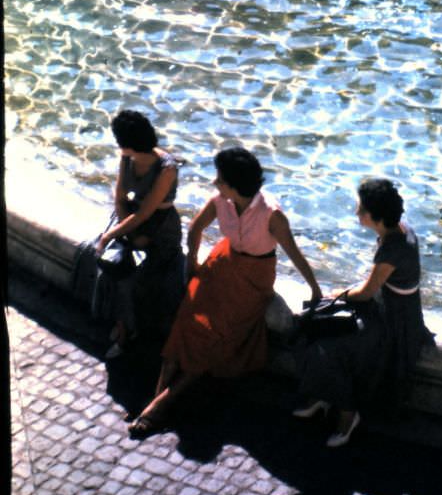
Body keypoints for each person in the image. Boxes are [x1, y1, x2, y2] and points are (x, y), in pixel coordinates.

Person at [127, 145, 322, 437]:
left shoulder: (272, 214)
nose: (215, 183)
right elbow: (195, 229)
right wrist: (192, 263)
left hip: (255, 278)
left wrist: (315, 288)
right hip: (223, 262)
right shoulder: (221, 200)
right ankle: (159, 396)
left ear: (234, 184)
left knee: (217, 333)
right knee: (188, 318)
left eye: (220, 178)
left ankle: (164, 401)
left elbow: (293, 253)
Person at [293, 177, 435, 447]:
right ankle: (323, 394)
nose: (357, 212)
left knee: (332, 346)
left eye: (361, 209)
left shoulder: (392, 249)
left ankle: (348, 413)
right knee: (317, 331)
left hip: (392, 321)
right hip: (391, 308)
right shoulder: (399, 231)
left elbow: (367, 292)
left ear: (375, 216)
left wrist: (339, 295)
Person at [95, 110, 184, 358]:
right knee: (112, 267)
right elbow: (120, 198)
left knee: (134, 280)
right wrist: (125, 233)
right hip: (130, 220)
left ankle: (127, 333)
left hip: (160, 226)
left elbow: (147, 213)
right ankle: (123, 325)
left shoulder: (166, 168)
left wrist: (110, 236)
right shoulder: (128, 158)